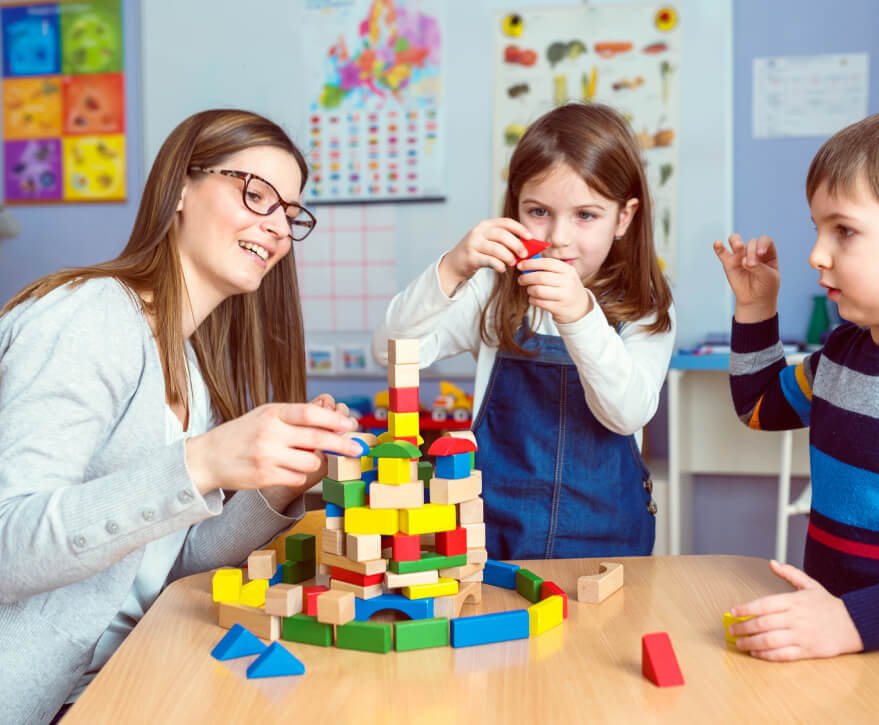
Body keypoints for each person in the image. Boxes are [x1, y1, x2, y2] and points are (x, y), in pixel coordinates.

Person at [0, 109, 364, 723]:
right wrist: (203, 461)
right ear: (179, 192)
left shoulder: (190, 365)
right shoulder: (85, 317)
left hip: (129, 669)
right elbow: (9, 547)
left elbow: (169, 569)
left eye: (289, 213)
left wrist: (276, 487)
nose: (275, 227)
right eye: (256, 194)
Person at [373, 102, 675, 559]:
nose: (558, 237)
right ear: (515, 205)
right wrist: (452, 269)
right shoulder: (493, 290)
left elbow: (627, 413)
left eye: (586, 215)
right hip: (492, 540)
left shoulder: (646, 304)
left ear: (625, 218)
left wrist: (580, 316)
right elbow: (391, 351)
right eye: (538, 211)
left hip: (610, 546)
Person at [715, 113, 879, 661]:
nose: (816, 253)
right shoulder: (841, 353)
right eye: (817, 228)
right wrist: (756, 309)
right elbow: (759, 406)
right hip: (829, 644)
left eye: (844, 230)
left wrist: (854, 622)